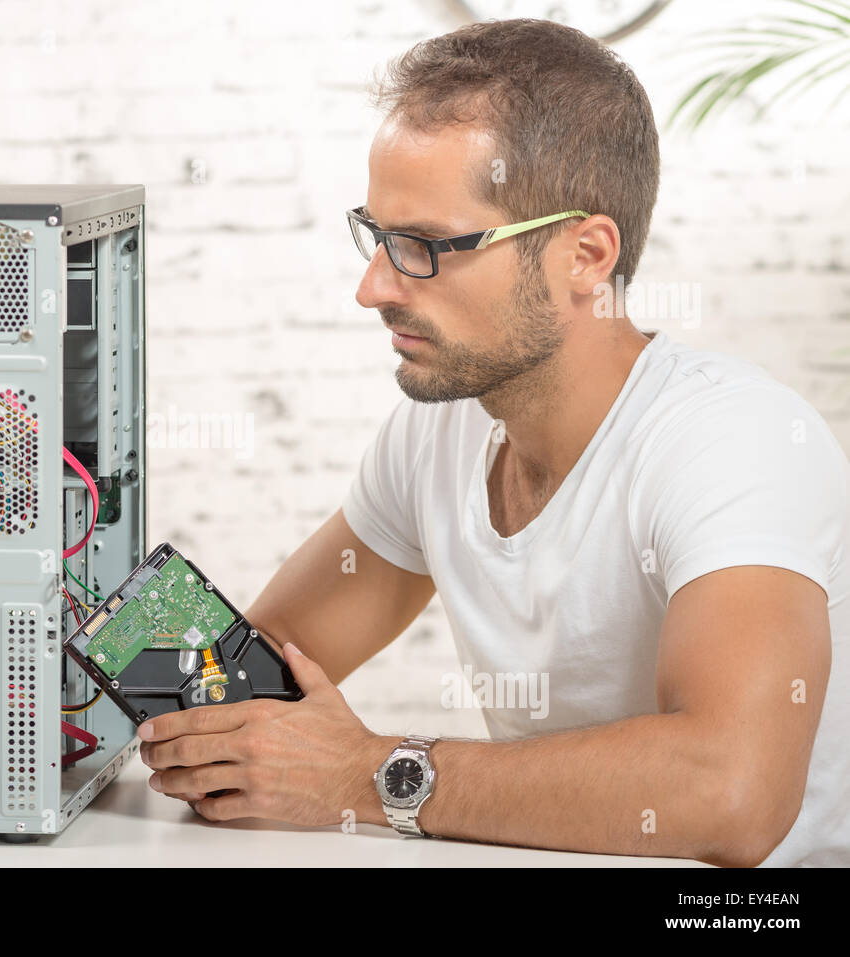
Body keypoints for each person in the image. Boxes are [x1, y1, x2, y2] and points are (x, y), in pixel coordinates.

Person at [138, 18, 849, 867]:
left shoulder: (734, 442)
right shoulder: (438, 429)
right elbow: (244, 677)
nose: (372, 288)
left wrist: (370, 774)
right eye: (377, 235)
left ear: (586, 254)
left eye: (427, 248)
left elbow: (731, 793)